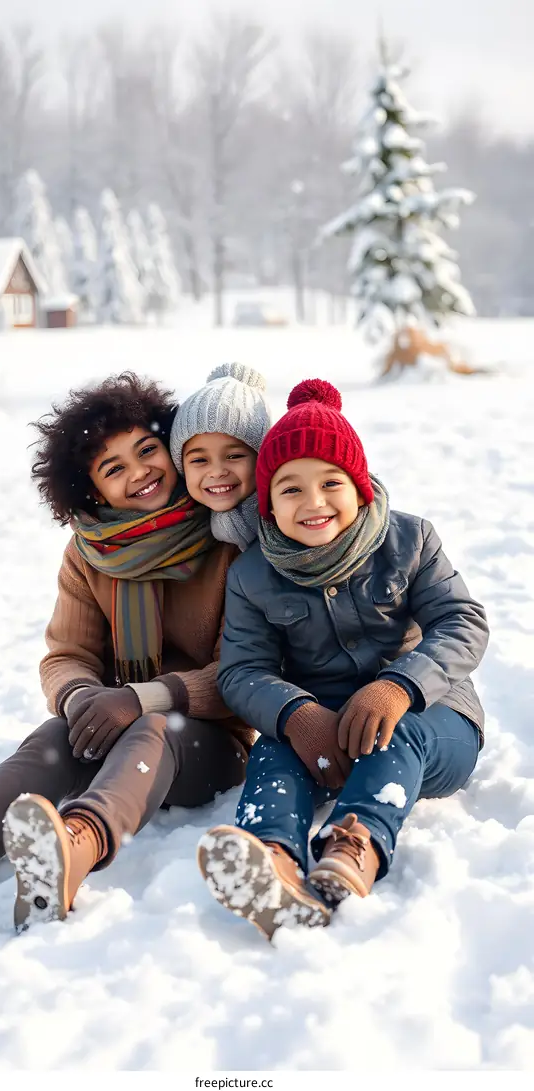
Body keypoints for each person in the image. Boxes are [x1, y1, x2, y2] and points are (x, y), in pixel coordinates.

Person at [0, 372, 252, 929]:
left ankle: (75, 847)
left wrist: (141, 699)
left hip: (212, 737)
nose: (140, 473)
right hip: (111, 720)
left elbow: (241, 671)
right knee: (53, 738)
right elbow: (65, 655)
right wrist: (81, 696)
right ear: (91, 490)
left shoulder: (228, 537)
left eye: (148, 450)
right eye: (114, 468)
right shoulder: (89, 554)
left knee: (157, 728)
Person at [197, 379, 489, 941]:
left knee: (397, 733)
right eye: (290, 489)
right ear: (268, 501)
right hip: (323, 731)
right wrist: (296, 715)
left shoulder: (410, 540)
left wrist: (401, 686)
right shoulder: (253, 574)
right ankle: (273, 856)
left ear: (358, 485)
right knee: (273, 755)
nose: (313, 503)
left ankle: (353, 847)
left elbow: (463, 622)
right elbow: (242, 670)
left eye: (331, 482)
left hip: (434, 723)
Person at [170, 361, 271, 552]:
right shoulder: (190, 535)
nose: (216, 472)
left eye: (234, 456)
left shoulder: (288, 523)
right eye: (199, 460)